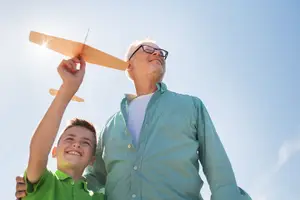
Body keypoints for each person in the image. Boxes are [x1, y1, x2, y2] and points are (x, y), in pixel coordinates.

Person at [16, 39, 251, 200]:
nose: (158, 53)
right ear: (128, 66)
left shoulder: (191, 106)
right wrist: (38, 186)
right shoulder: (110, 126)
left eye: (162, 53)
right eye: (148, 49)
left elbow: (218, 169)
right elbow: (94, 178)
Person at [18, 57, 104, 200]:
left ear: (92, 160)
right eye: (70, 138)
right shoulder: (43, 181)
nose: (76, 144)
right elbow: (38, 152)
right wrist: (68, 88)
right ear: (54, 151)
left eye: (86, 143)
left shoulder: (100, 198)